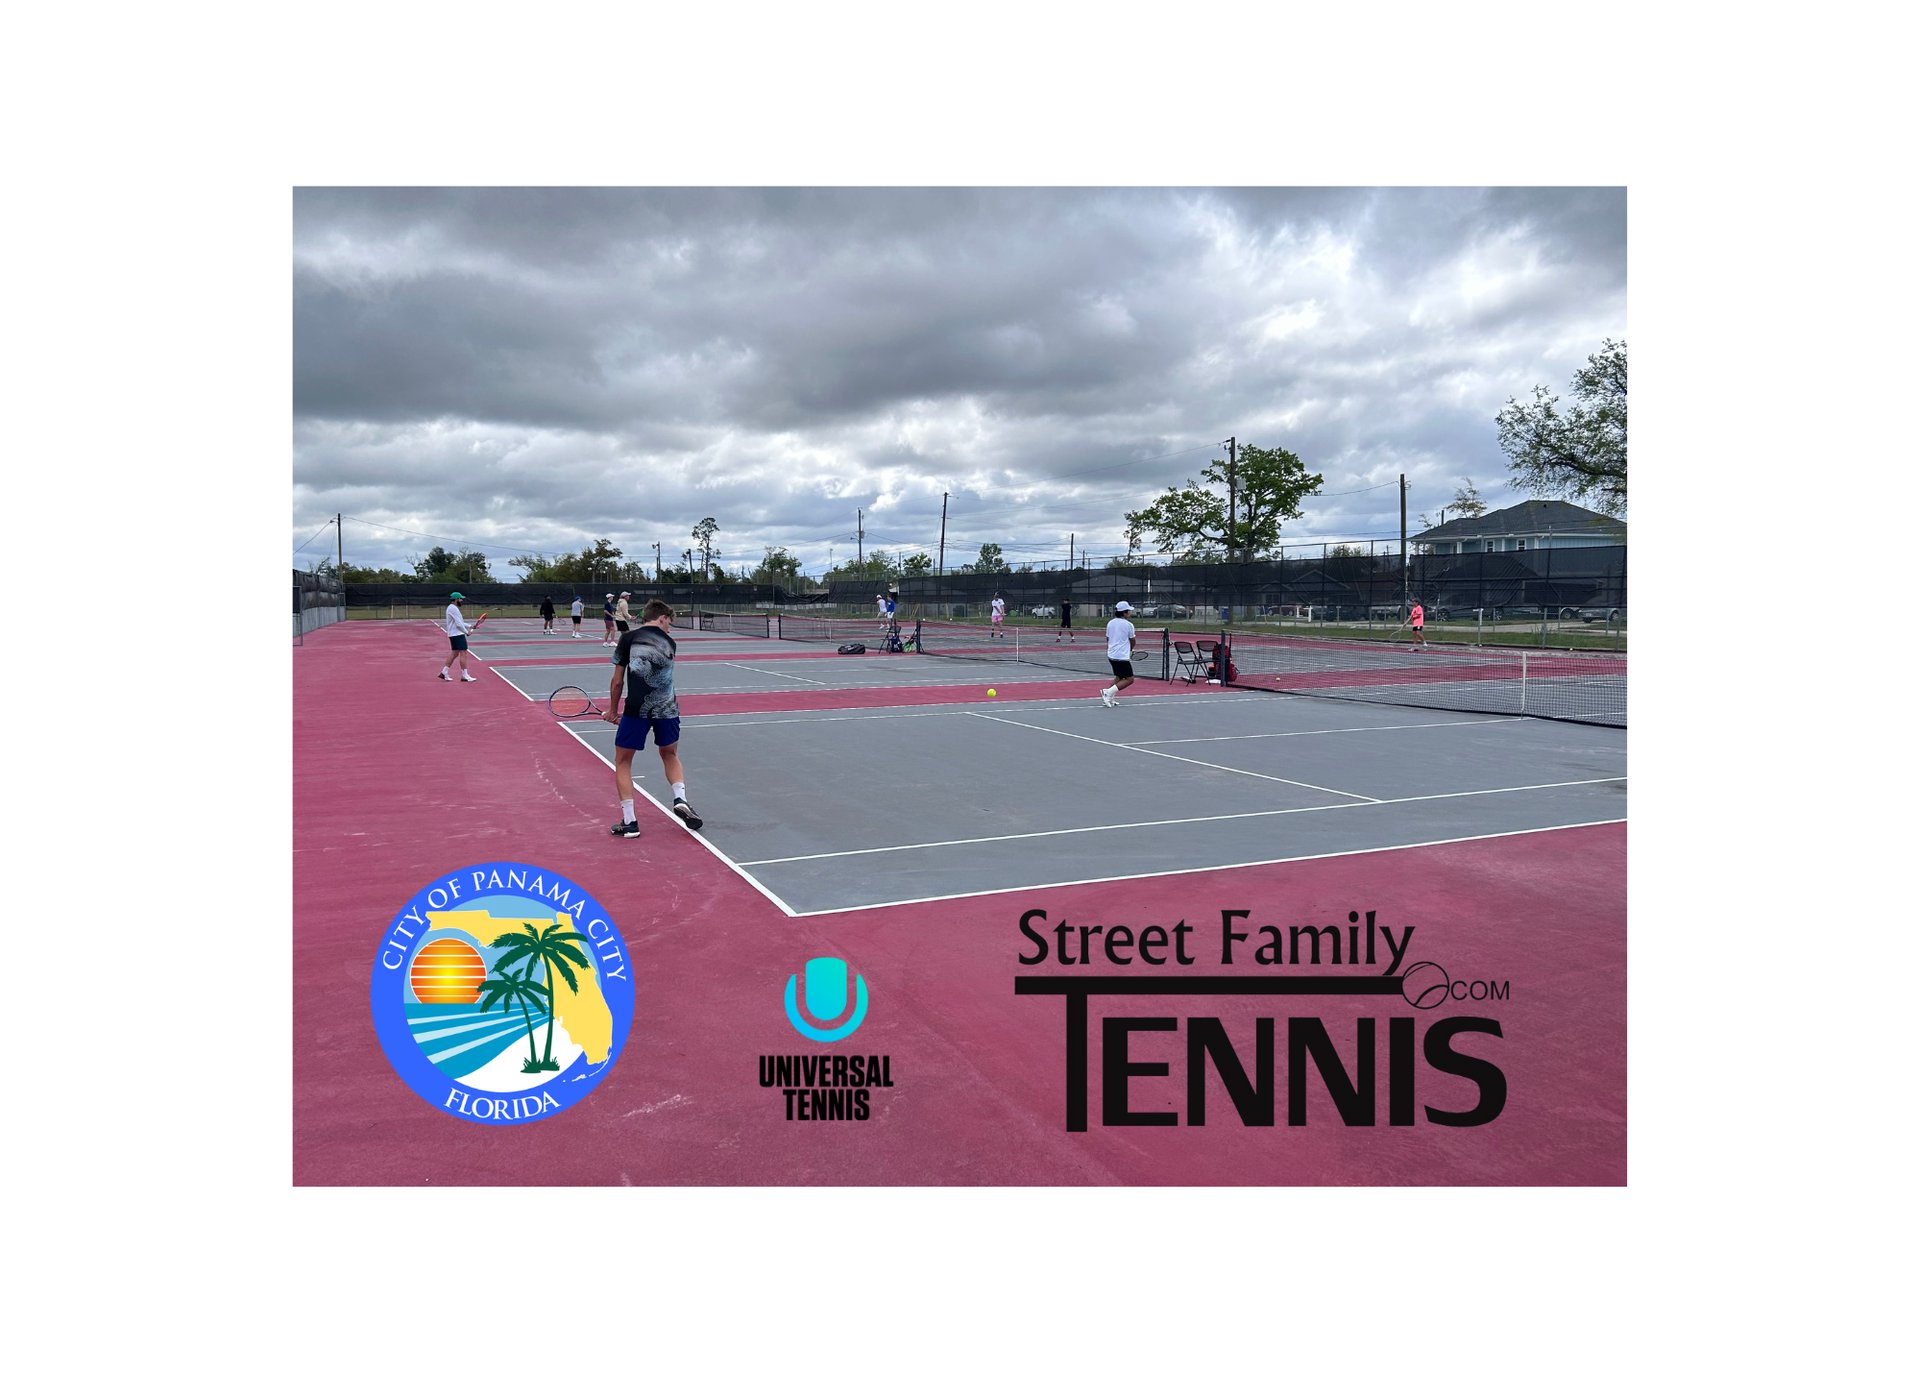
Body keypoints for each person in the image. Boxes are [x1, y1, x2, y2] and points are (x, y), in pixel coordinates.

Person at [601, 599, 702, 836]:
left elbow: (618, 681)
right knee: (670, 754)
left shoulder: (627, 639)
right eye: (670, 622)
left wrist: (613, 711)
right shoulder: (670, 643)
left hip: (637, 709)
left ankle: (630, 822)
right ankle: (680, 799)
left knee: (623, 762)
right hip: (667, 709)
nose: (670, 627)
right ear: (662, 618)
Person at [438, 591, 481, 682]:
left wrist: (470, 626)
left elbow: (460, 622)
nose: (461, 600)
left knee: (454, 653)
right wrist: (466, 632)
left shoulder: (452, 608)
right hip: (457, 634)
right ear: (456, 599)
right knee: (463, 653)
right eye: (460, 599)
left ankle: (444, 672)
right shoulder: (453, 608)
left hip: (454, 634)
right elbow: (458, 624)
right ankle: (464, 675)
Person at [1099, 601, 1136, 707]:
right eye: (1128, 611)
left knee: (1119, 677)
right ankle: (1107, 692)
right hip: (1121, 657)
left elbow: (1108, 638)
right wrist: (1130, 649)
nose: (1130, 613)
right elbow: (1133, 641)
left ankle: (1109, 697)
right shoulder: (1129, 625)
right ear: (1124, 613)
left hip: (1111, 655)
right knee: (1130, 679)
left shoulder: (1110, 623)